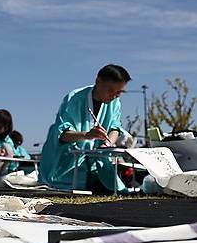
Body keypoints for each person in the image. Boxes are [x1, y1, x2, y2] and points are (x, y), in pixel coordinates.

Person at [39, 64, 131, 193]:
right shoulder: (74, 98)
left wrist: (107, 143)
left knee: (111, 190)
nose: (114, 96)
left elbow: (115, 128)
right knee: (69, 188)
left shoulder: (115, 102)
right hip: (67, 164)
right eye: (110, 90)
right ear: (98, 81)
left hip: (98, 163)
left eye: (119, 92)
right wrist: (87, 135)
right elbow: (62, 135)